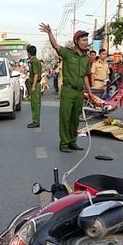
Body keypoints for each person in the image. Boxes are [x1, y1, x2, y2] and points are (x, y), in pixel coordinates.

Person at [40, 23, 95, 152]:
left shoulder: (86, 59)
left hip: (80, 92)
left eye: (86, 40)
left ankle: (72, 141)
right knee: (65, 117)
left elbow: (85, 76)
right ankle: (64, 143)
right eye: (83, 40)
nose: (85, 42)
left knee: (75, 118)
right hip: (68, 90)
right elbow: (55, 46)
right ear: (76, 41)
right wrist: (49, 33)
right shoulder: (68, 53)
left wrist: (90, 92)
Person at [26, 45, 42, 129]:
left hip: (35, 84)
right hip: (37, 84)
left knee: (35, 104)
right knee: (36, 104)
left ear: (29, 53)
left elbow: (35, 74)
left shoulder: (34, 62)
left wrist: (33, 86)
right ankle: (36, 121)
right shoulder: (37, 61)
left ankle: (35, 122)